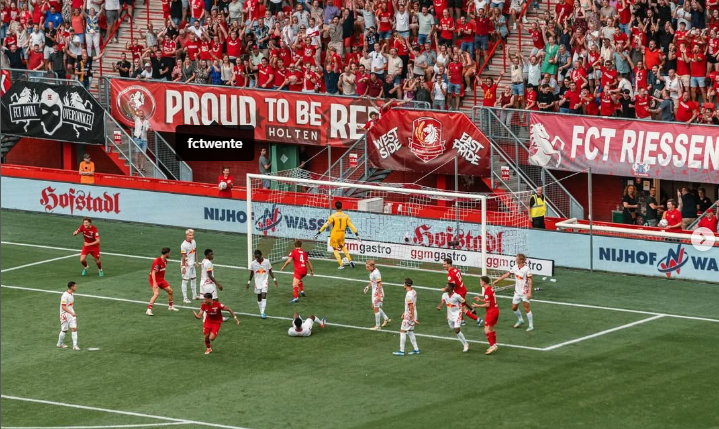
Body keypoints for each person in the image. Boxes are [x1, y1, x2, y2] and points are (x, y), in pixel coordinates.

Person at [314, 201, 361, 269]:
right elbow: (351, 226)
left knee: (335, 249)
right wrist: (357, 234)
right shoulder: (346, 216)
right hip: (342, 234)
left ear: (335, 207)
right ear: (341, 206)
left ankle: (341, 264)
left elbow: (325, 225)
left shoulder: (333, 216)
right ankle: (350, 260)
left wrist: (319, 232)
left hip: (334, 234)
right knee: (343, 246)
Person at [493, 253, 534, 332]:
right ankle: (520, 320)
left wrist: (529, 292)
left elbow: (530, 281)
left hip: (524, 292)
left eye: (517, 258)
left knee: (526, 308)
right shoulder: (515, 267)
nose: (515, 259)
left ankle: (531, 325)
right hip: (517, 291)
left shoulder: (526, 269)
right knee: (514, 307)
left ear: (520, 260)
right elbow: (507, 274)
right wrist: (498, 280)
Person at [442, 258, 482, 326]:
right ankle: (462, 321)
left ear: (449, 264)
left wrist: (445, 289)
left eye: (444, 264)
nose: (443, 265)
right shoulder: (456, 269)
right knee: (458, 307)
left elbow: (452, 285)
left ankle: (478, 319)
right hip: (462, 289)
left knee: (463, 309)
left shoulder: (450, 274)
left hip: (459, 292)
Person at [437, 282, 470, 352]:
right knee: (455, 330)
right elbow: (442, 302)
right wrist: (439, 306)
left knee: (457, 330)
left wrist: (471, 309)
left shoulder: (457, 296)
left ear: (451, 288)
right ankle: (464, 343)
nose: (445, 288)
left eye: (447, 287)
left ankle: (465, 344)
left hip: (457, 314)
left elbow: (464, 302)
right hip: (450, 315)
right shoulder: (444, 295)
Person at [146, 247, 179, 316]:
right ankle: (148, 310)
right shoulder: (157, 262)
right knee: (156, 294)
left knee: (170, 291)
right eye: (169, 253)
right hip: (154, 280)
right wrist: (155, 283)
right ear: (166, 253)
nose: (170, 254)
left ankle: (170, 306)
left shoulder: (165, 261)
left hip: (161, 280)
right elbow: (153, 272)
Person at [247, 249, 279, 319]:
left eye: (258, 257)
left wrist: (274, 279)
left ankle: (262, 313)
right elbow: (252, 273)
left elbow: (270, 271)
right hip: (257, 282)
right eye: (255, 257)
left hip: (265, 281)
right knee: (259, 297)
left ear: (261, 255)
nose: (257, 259)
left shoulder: (267, 262)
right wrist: (248, 282)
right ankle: (261, 311)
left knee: (263, 295)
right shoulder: (253, 263)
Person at [472, 276, 499, 355]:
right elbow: (489, 300)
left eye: (480, 281)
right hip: (496, 310)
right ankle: (494, 345)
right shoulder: (490, 289)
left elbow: (487, 305)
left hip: (491, 312)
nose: (480, 282)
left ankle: (492, 346)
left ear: (484, 282)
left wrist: (477, 306)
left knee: (486, 329)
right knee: (491, 328)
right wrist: (480, 300)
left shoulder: (487, 291)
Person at [393, 278, 420, 356]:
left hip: (410, 315)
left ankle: (401, 350)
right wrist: (404, 312)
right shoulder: (414, 291)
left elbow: (411, 306)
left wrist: (411, 317)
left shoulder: (409, 295)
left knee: (402, 331)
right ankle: (416, 349)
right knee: (410, 332)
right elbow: (411, 306)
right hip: (413, 312)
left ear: (405, 284)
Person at [364, 260, 390, 330]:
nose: (367, 268)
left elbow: (379, 284)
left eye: (368, 267)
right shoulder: (372, 271)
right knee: (374, 307)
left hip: (377, 292)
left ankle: (377, 326)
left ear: (372, 266)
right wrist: (368, 287)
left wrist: (379, 295)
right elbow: (372, 281)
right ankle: (386, 318)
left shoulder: (376, 273)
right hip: (374, 291)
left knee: (376, 308)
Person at [58, 281, 80, 351]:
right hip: (65, 314)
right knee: (64, 330)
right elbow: (63, 307)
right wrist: (71, 312)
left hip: (70, 314)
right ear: (71, 287)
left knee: (74, 328)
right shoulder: (65, 295)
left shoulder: (71, 294)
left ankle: (75, 346)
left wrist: (73, 312)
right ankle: (59, 344)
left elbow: (70, 306)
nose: (76, 287)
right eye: (75, 286)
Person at [180, 228, 199, 303]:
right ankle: (185, 298)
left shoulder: (194, 242)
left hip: (192, 264)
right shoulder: (184, 245)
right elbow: (183, 256)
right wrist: (183, 267)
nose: (192, 237)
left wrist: (197, 261)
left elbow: (195, 251)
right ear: (187, 235)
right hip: (186, 265)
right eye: (190, 235)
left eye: (192, 235)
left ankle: (194, 295)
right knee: (185, 281)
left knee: (194, 279)